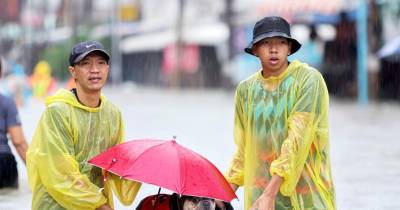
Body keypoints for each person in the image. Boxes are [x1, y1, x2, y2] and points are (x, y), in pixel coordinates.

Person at [221, 16, 336, 210]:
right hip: (262, 198)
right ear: (255, 50)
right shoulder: (246, 90)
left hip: (307, 195)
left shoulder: (308, 80)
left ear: (289, 48)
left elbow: (297, 141)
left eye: (281, 43)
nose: (274, 49)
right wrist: (223, 196)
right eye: (266, 43)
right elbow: (245, 151)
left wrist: (270, 193)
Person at [26, 40, 141, 210]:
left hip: (95, 203)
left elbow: (114, 165)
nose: (94, 70)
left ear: (107, 69)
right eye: (86, 63)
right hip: (56, 204)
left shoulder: (112, 113)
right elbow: (61, 174)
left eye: (100, 63)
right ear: (73, 72)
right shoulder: (58, 112)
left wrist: (142, 171)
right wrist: (101, 205)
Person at [0, 58, 28, 189]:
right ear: (1, 73)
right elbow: (19, 142)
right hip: (3, 162)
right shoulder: (6, 102)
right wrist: (40, 173)